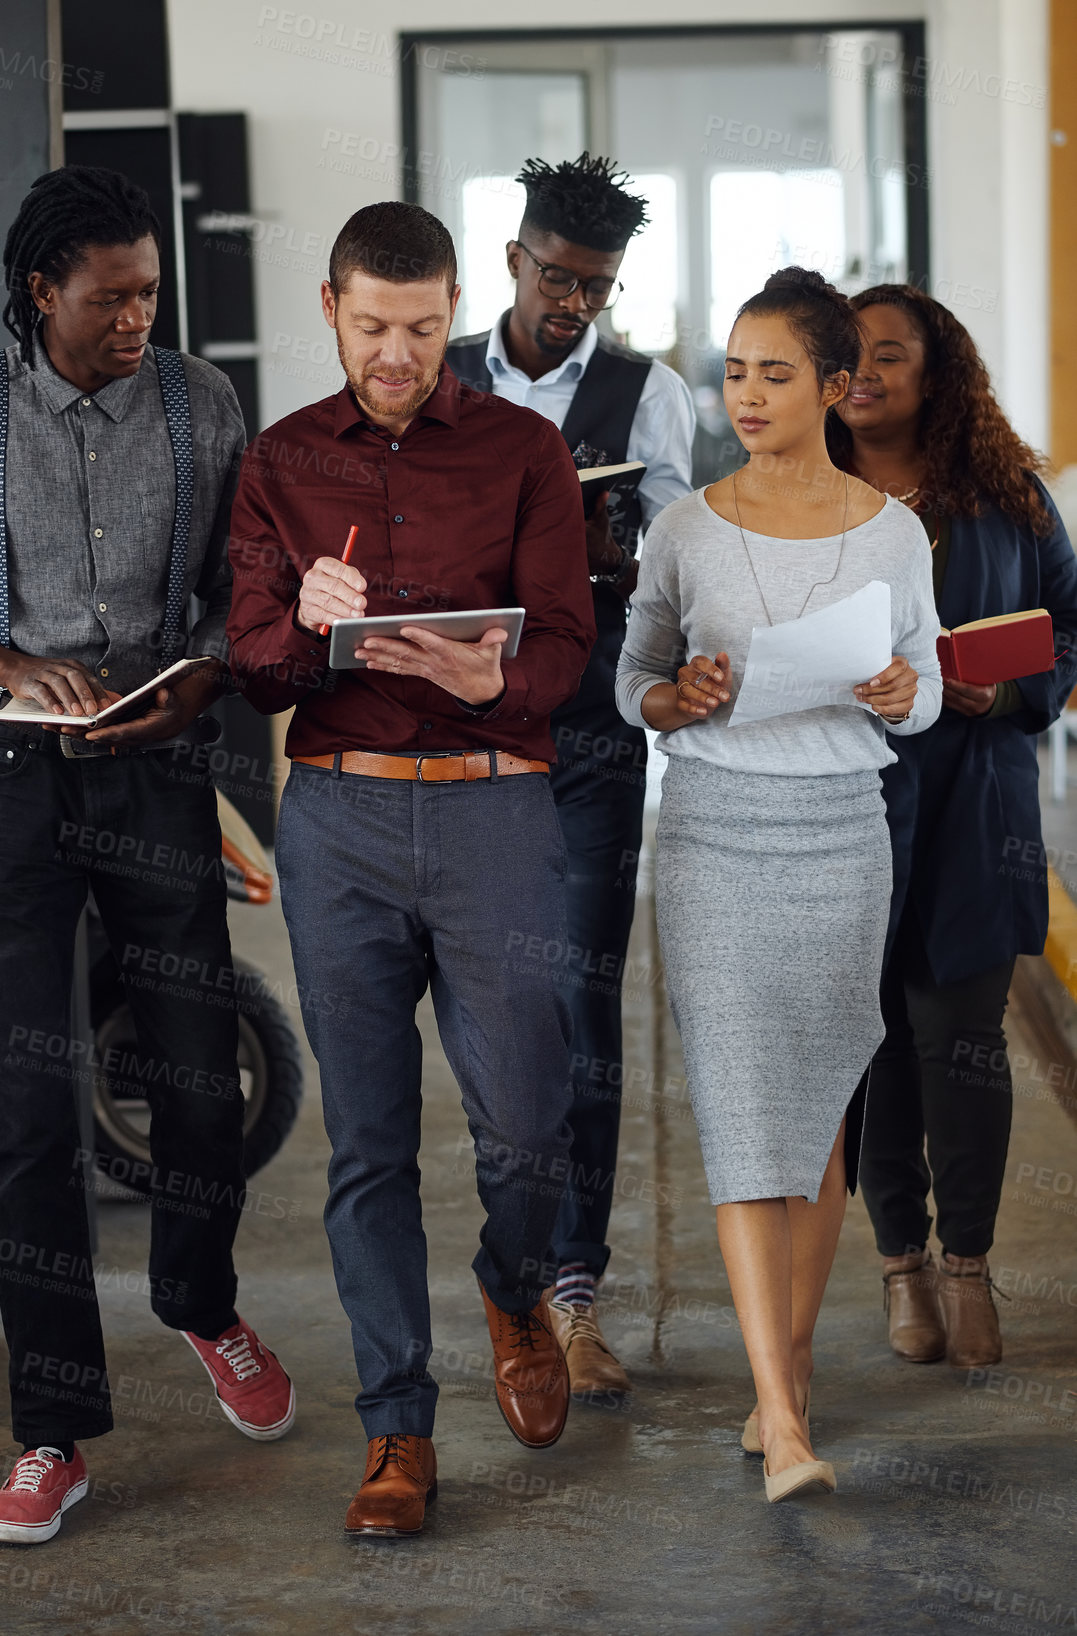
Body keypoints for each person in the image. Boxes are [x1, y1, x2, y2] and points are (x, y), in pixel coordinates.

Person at [0, 167, 295, 1544]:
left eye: (151, 293)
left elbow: (249, 590)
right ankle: (51, 1434)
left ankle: (200, 1304)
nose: (138, 320)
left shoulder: (201, 403)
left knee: (200, 1088)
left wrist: (207, 676)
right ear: (40, 291)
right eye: (111, 298)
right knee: (26, 1117)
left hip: (159, 767)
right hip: (6, 783)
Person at [226, 201, 595, 1538]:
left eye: (425, 328)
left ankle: (513, 1284)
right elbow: (249, 660)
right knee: (368, 1142)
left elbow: (565, 647)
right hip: (343, 820)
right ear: (331, 307)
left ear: (454, 311)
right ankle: (395, 1432)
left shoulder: (524, 451)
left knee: (528, 1131)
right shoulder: (276, 462)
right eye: (375, 326)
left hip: (497, 814)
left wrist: (502, 675)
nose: (399, 353)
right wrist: (301, 626)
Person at [616, 267, 942, 1501]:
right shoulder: (686, 526)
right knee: (746, 1123)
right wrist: (668, 696)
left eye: (775, 373)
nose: (745, 394)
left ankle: (782, 1383)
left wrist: (903, 694)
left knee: (815, 1131)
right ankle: (788, 1431)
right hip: (711, 837)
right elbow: (634, 675)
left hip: (841, 837)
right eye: (734, 371)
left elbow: (918, 678)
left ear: (835, 385)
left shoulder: (893, 529)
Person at [447, 154, 695, 1398]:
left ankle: (574, 1290)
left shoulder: (648, 395)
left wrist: (622, 546)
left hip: (590, 735)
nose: (573, 306)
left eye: (596, 288)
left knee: (583, 1006)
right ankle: (512, 1278)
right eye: (557, 278)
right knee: (492, 1014)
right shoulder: (430, 377)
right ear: (512, 262)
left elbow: (677, 564)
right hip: (457, 735)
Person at [829, 284, 1077, 1368]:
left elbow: (1067, 625)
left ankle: (969, 1265)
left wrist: (1009, 692)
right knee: (875, 1045)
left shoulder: (1006, 495)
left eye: (894, 355)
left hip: (975, 805)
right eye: (852, 355)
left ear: (940, 376)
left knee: (964, 1043)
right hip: (845, 800)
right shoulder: (802, 497)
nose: (869, 372)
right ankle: (902, 1268)